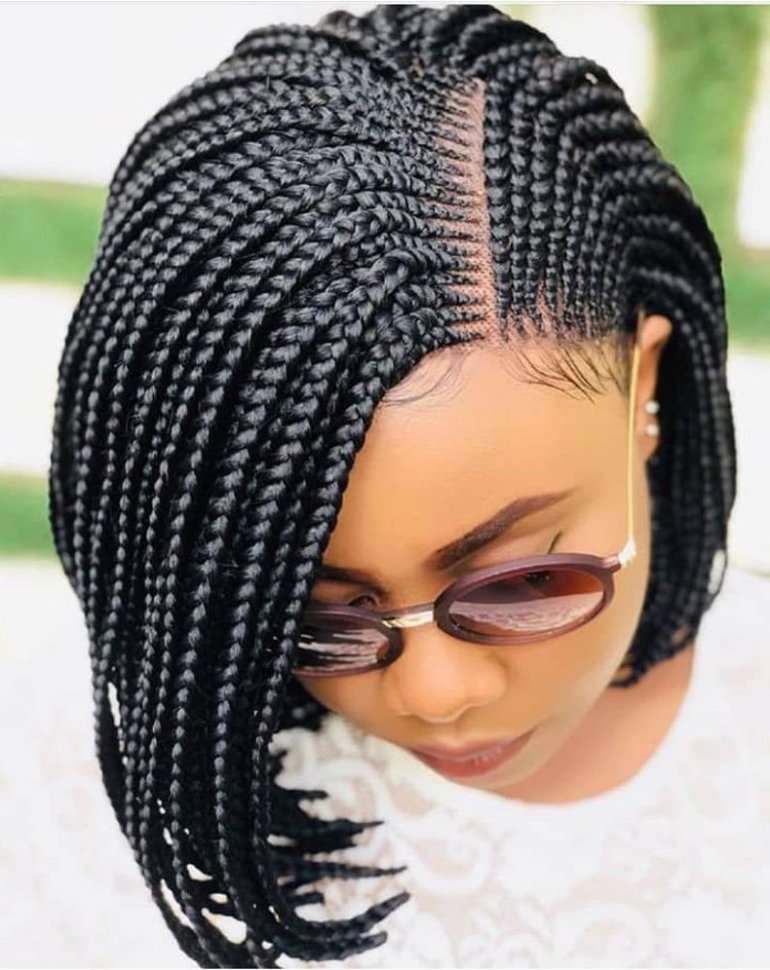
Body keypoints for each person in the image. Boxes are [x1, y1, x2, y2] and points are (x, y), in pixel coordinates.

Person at [47, 4, 767, 968]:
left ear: (642, 391)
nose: (435, 692)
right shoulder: (59, 805)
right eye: (314, 621)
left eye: (522, 584)